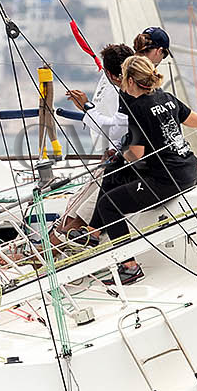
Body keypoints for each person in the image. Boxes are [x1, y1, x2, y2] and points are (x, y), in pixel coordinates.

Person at [87, 53, 197, 283]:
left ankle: (130, 266)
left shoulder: (136, 107)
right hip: (189, 169)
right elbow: (196, 120)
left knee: (110, 204)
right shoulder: (166, 97)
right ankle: (92, 232)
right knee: (116, 173)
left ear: (130, 81)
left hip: (167, 180)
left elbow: (136, 155)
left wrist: (116, 157)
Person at [52, 43, 132, 248]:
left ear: (109, 73)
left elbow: (117, 130)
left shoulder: (131, 95)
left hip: (126, 165)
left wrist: (86, 108)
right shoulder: (132, 91)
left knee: (76, 218)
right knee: (70, 214)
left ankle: (42, 258)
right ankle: (42, 254)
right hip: (117, 160)